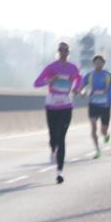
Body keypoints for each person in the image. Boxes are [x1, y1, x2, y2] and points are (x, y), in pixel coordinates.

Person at [33, 43, 82, 183]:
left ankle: (59, 172)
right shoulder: (51, 67)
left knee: (61, 137)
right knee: (53, 136)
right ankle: (52, 149)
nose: (63, 52)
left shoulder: (73, 68)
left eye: (66, 50)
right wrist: (50, 80)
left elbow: (80, 79)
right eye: (61, 50)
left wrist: (77, 88)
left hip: (66, 104)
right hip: (52, 104)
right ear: (58, 52)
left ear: (69, 52)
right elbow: (36, 83)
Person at [79, 54, 111, 158]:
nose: (98, 64)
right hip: (93, 105)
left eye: (100, 62)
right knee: (93, 128)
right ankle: (98, 150)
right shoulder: (90, 76)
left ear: (103, 63)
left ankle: (106, 135)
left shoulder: (109, 75)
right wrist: (83, 93)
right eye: (96, 62)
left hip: (105, 106)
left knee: (103, 130)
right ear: (93, 63)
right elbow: (82, 87)